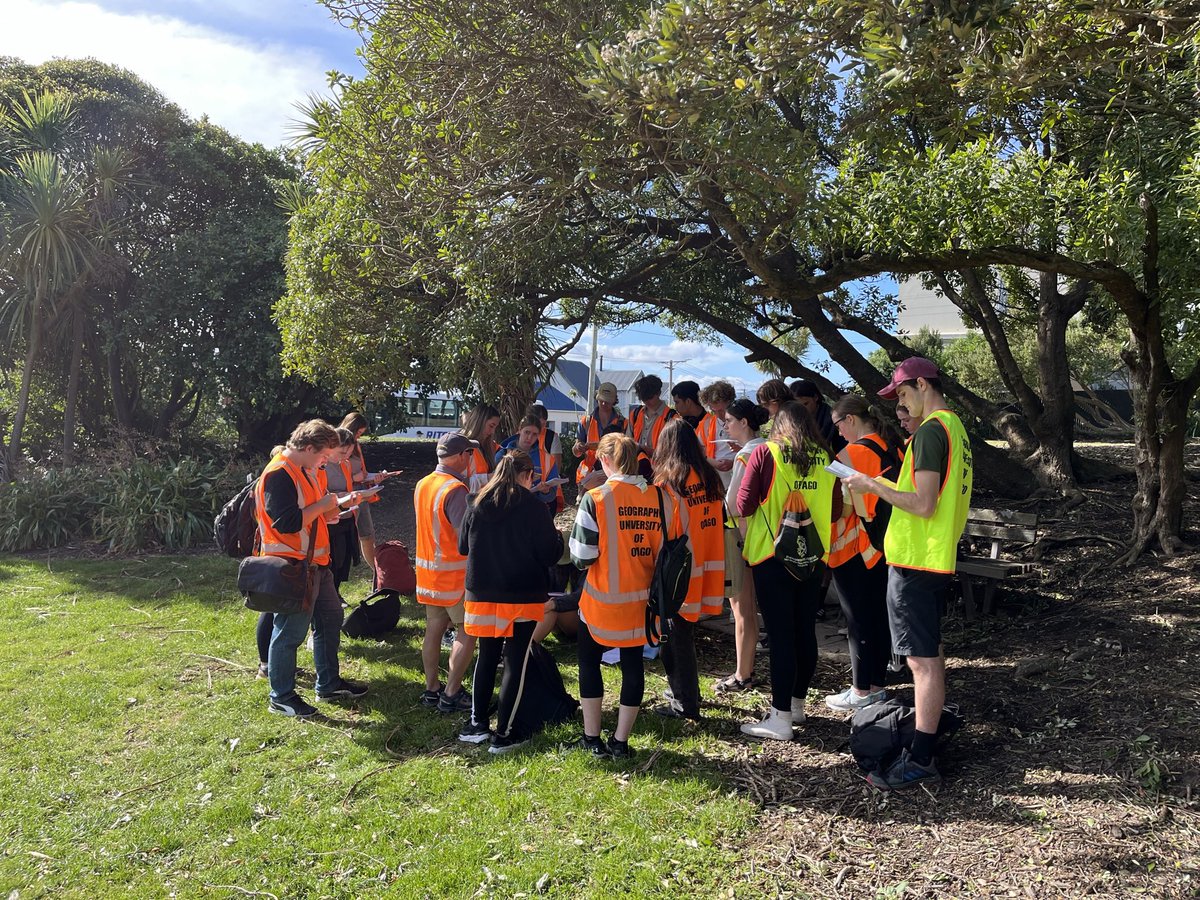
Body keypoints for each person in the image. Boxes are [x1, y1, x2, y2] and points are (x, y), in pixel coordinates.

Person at [842, 358, 973, 789]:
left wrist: (870, 485)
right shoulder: (954, 428)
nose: (900, 404)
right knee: (926, 658)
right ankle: (925, 740)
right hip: (931, 557)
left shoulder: (933, 429)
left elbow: (923, 503)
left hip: (918, 560)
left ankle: (920, 758)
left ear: (921, 385)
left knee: (922, 663)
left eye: (901, 394)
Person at [569, 433, 681, 758]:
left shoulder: (597, 497)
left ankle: (592, 739)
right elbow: (673, 549)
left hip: (600, 603)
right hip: (645, 606)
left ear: (605, 461)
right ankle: (620, 742)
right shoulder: (662, 499)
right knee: (633, 667)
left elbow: (580, 556)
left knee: (588, 662)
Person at [735, 402, 841, 740]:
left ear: (778, 425)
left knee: (780, 636)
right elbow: (837, 509)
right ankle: (796, 705)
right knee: (803, 631)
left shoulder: (766, 453)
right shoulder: (826, 458)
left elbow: (743, 504)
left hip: (772, 555)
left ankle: (779, 718)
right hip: (813, 556)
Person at [254, 420, 370, 717]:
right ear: (307, 448)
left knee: (331, 618)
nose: (325, 463)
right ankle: (280, 696)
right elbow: (287, 522)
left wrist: (335, 508)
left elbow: (311, 511)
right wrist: (324, 507)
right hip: (293, 566)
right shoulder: (279, 473)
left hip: (316, 564)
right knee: (290, 632)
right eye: (323, 457)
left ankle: (328, 683)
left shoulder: (303, 470)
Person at [456, 450, 565, 753]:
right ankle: (504, 733)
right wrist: (558, 538)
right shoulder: (533, 506)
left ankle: (477, 723)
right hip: (521, 594)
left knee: (487, 655)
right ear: (528, 475)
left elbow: (463, 546)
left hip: (481, 593)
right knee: (515, 660)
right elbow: (549, 554)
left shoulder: (475, 501)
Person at [824, 395, 901, 712]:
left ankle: (860, 690)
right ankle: (877, 685)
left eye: (838, 425)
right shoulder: (892, 448)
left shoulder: (849, 455)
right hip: (887, 544)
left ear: (850, 420)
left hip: (853, 547)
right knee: (878, 615)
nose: (838, 432)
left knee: (857, 620)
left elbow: (835, 507)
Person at [651, 420, 725, 720]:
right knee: (683, 634)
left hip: (679, 573)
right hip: (706, 567)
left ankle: (685, 703)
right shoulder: (709, 476)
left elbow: (662, 530)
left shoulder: (670, 481)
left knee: (674, 638)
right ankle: (685, 693)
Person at [414, 432, 480, 713]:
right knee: (467, 632)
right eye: (470, 454)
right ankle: (451, 692)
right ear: (461, 455)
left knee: (433, 630)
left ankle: (432, 689)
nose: (471, 459)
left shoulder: (423, 483)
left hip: (429, 574)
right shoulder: (455, 489)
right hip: (453, 576)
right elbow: (463, 536)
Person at [714, 399, 769, 693]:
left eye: (729, 420)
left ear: (744, 423)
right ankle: (744, 669)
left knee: (741, 608)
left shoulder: (746, 456)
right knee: (750, 608)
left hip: (740, 536)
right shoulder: (770, 448)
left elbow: (734, 504)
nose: (725, 426)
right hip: (764, 536)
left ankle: (742, 673)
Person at [322, 427, 364, 595]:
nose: (346, 457)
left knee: (344, 558)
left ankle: (336, 592)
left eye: (350, 452)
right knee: (334, 558)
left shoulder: (345, 464)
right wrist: (340, 496)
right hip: (331, 518)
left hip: (347, 515)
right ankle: (330, 594)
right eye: (343, 452)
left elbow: (348, 486)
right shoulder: (322, 466)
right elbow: (320, 493)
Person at [339, 412, 380, 572]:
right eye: (358, 433)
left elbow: (362, 472)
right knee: (346, 537)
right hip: (346, 496)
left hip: (361, 494)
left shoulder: (356, 446)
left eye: (361, 434)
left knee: (367, 533)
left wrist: (373, 478)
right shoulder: (337, 444)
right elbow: (332, 473)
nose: (358, 437)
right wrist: (354, 477)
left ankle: (377, 572)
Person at [497, 415, 560, 513]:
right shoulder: (503, 454)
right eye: (527, 432)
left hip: (533, 512)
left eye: (535, 434)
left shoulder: (548, 459)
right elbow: (493, 485)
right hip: (506, 510)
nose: (530, 437)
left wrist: (545, 492)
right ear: (519, 430)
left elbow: (551, 496)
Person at [573, 381, 626, 492]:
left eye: (607, 401)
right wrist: (578, 447)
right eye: (601, 400)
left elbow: (625, 450)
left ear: (614, 401)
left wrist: (592, 446)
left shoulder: (623, 423)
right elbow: (575, 451)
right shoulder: (586, 421)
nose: (603, 404)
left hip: (612, 472)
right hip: (588, 473)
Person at [627, 374, 677, 478]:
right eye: (644, 399)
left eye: (649, 398)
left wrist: (646, 451)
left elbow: (674, 454)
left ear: (658, 393)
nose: (647, 402)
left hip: (661, 474)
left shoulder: (672, 418)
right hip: (636, 473)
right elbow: (627, 443)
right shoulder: (635, 414)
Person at [526, 403, 565, 513]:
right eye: (538, 424)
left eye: (544, 424)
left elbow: (557, 466)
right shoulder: (519, 437)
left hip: (547, 492)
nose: (541, 428)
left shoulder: (551, 437)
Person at [790, 380, 846, 454]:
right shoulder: (791, 422)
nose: (802, 410)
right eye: (797, 407)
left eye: (805, 404)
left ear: (815, 397)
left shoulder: (834, 419)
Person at [698, 381, 737, 484]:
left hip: (739, 480)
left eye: (722, 410)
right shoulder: (705, 425)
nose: (719, 414)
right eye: (714, 411)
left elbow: (754, 450)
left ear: (731, 402)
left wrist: (733, 462)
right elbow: (697, 451)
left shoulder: (745, 423)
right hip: (715, 481)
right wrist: (712, 462)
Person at [459, 404, 502, 494]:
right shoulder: (459, 445)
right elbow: (458, 483)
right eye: (491, 426)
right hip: (465, 502)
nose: (493, 432)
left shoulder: (493, 447)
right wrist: (490, 477)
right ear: (479, 422)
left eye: (495, 427)